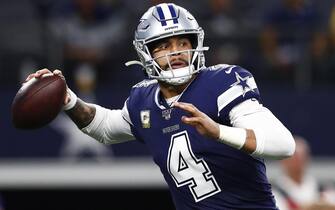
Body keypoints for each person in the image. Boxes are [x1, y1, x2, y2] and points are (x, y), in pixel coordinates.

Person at [25, 3, 296, 209]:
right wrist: (68, 99)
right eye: (164, 45)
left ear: (196, 45)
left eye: (182, 42)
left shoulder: (222, 83)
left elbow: (284, 144)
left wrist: (219, 132)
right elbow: (105, 128)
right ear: (146, 53)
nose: (176, 51)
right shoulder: (143, 99)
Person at [272, 135, 335, 210]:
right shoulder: (273, 193)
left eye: (300, 157)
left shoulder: (323, 189)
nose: (297, 162)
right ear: (282, 161)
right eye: (293, 157)